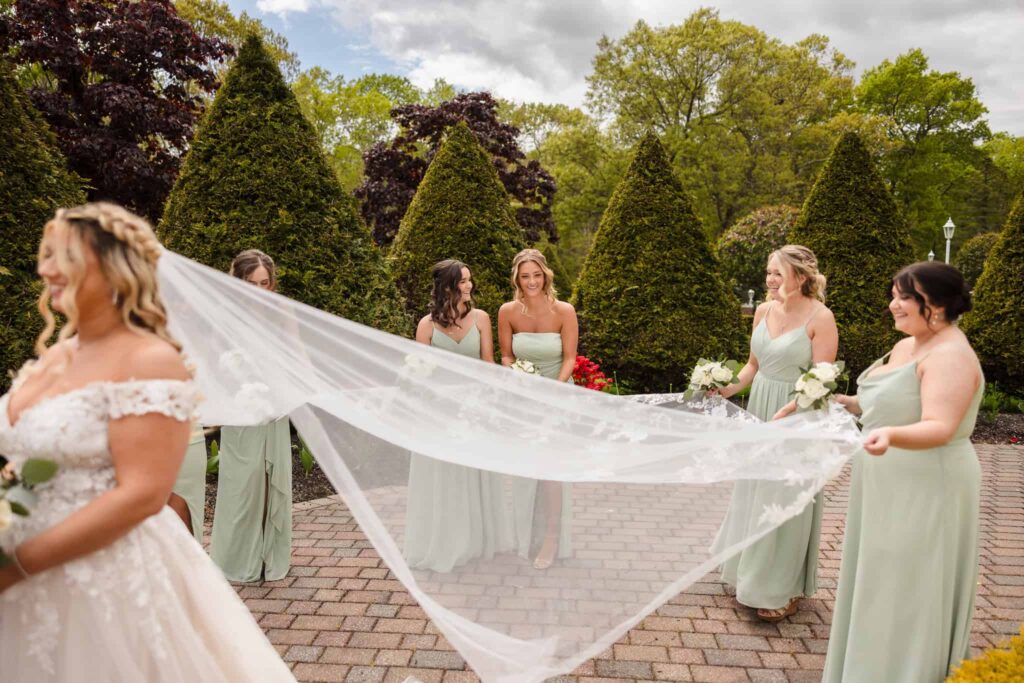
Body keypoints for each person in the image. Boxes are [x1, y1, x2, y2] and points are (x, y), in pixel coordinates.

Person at [0, 203, 294, 681]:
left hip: (100, 579)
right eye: (46, 255)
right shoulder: (53, 356)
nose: (45, 268)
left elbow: (142, 494)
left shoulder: (151, 359)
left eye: (62, 256)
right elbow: (27, 461)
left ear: (112, 267)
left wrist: (18, 563)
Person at [823, 262, 983, 682]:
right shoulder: (909, 344)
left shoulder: (951, 355)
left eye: (904, 297)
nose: (893, 305)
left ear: (937, 303)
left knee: (910, 585)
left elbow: (940, 425)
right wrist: (837, 401)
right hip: (885, 478)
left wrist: (889, 435)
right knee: (879, 578)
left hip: (929, 482)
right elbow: (884, 401)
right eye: (893, 295)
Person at [715, 245, 838, 620]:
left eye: (777, 274)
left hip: (798, 412)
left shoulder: (822, 317)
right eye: (768, 272)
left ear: (800, 278)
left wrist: (793, 410)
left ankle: (783, 588)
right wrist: (725, 388)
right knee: (757, 489)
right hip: (762, 405)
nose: (769, 280)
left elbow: (822, 378)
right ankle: (748, 573)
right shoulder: (764, 311)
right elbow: (753, 365)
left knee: (785, 496)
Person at [403, 260, 513, 571]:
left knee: (473, 474)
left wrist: (494, 400)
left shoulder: (481, 318)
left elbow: (488, 363)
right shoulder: (426, 325)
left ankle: (477, 541)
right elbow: (418, 372)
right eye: (462, 282)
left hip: (474, 408)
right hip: (439, 411)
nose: (469, 286)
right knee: (445, 478)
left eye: (469, 280)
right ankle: (447, 541)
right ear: (447, 287)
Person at [209, 249, 292, 582]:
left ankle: (267, 556)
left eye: (265, 283)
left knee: (273, 484)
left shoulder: (282, 311)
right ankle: (235, 558)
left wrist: (277, 388)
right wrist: (237, 382)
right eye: (252, 283)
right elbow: (215, 361)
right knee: (241, 486)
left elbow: (295, 357)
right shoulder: (224, 317)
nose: (259, 289)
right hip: (239, 408)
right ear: (239, 282)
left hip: (274, 409)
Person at [497, 248, 577, 569]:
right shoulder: (507, 312)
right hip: (523, 399)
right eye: (525, 276)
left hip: (557, 396)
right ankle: (523, 535)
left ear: (546, 276)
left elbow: (570, 357)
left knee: (551, 471)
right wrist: (519, 378)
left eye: (537, 275)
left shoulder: (564, 311)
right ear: (517, 278)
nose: (531, 282)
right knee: (525, 469)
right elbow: (506, 355)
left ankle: (552, 539)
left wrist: (553, 390)